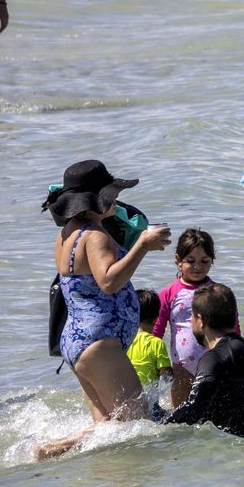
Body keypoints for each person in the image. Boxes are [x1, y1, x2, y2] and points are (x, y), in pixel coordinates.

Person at [34, 160, 171, 459]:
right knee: (138, 427)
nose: (116, 199)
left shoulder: (68, 234)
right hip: (97, 343)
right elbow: (108, 280)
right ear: (96, 199)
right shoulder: (94, 236)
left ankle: (71, 462)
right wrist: (143, 246)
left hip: (77, 341)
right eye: (112, 194)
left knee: (110, 428)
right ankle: (58, 448)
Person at [165, 283, 244, 443]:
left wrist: (159, 429)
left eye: (191, 317)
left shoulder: (216, 357)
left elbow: (193, 408)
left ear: (200, 320)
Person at [152, 228, 238, 408]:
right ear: (178, 260)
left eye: (205, 261)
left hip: (215, 363)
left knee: (213, 411)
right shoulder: (169, 293)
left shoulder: (218, 292)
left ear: (212, 261)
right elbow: (156, 331)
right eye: (190, 261)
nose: (198, 266)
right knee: (181, 415)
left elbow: (233, 328)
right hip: (182, 366)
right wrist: (155, 362)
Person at [127, 288, 173, 389]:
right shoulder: (156, 343)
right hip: (149, 396)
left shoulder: (125, 341)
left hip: (126, 392)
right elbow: (166, 376)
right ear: (156, 319)